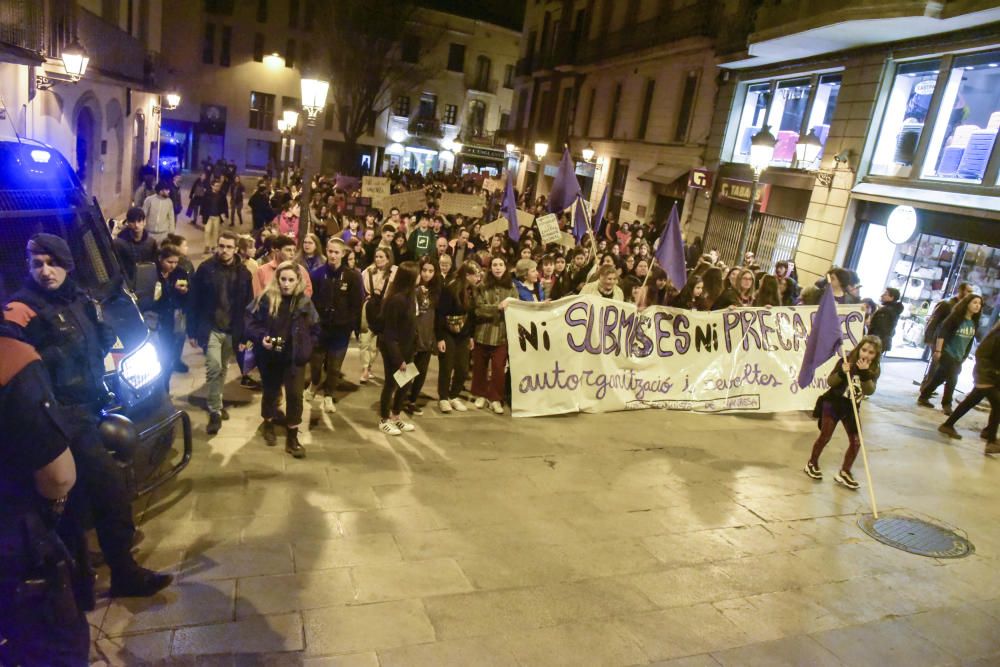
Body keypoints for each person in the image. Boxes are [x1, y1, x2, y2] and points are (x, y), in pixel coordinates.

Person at [4, 234, 172, 597]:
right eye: (36, 264)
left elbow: (101, 345)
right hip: (59, 417)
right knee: (105, 489)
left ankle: (90, 578)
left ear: (67, 264)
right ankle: (99, 578)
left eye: (52, 263)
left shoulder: (80, 300)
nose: (45, 271)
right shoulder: (23, 307)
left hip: (92, 407)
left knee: (90, 498)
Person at [0, 320, 91, 666]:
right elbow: (57, 476)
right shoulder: (10, 359)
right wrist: (52, 511)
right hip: (14, 546)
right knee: (56, 649)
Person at [245, 262, 318, 458]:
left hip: (294, 358)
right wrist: (262, 337)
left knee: (295, 396)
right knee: (270, 391)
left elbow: (315, 328)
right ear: (277, 279)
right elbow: (250, 322)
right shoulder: (266, 298)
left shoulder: (304, 302)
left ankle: (292, 436)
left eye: (291, 280)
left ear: (298, 281)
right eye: (283, 279)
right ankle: (268, 423)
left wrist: (306, 348)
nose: (286, 284)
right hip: (270, 356)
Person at [187, 231, 255, 434]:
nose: (224, 250)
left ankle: (215, 400)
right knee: (214, 366)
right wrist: (191, 330)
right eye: (221, 246)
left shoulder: (244, 273)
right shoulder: (206, 269)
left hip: (231, 329)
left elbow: (248, 306)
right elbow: (194, 300)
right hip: (211, 327)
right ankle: (215, 410)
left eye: (228, 247)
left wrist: (246, 334)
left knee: (223, 366)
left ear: (236, 249)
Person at [804, 336, 882, 490]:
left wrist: (865, 374)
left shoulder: (874, 369)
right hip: (833, 403)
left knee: (856, 442)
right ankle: (812, 463)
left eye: (871, 353)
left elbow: (870, 391)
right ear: (859, 348)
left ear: (876, 355)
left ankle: (845, 472)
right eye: (864, 350)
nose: (866, 355)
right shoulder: (846, 361)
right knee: (825, 436)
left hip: (851, 407)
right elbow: (830, 382)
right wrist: (841, 372)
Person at [308, 238, 363, 413]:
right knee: (315, 363)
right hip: (320, 328)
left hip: (340, 330)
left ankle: (329, 395)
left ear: (343, 254)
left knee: (334, 366)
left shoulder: (353, 276)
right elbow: (310, 300)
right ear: (326, 251)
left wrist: (351, 325)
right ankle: (314, 383)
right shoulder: (317, 274)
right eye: (330, 251)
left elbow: (357, 303)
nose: (333, 255)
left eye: (336, 252)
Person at [937, 321, 999, 453]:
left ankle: (948, 425)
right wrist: (991, 373)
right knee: (998, 405)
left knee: (970, 401)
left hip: (992, 378)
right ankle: (991, 441)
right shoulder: (996, 336)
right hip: (986, 377)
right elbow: (981, 355)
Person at [918, 294, 983, 415]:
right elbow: (942, 333)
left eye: (979, 304)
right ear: (967, 303)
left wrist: (964, 356)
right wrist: (938, 351)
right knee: (953, 378)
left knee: (940, 377)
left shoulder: (974, 322)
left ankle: (924, 396)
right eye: (974, 302)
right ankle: (947, 404)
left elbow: (969, 341)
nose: (977, 306)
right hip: (948, 352)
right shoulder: (955, 318)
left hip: (959, 355)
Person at [377, 261, 420, 435]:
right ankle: (384, 419)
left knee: (405, 383)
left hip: (407, 348)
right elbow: (390, 334)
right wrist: (399, 359)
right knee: (391, 384)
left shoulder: (409, 296)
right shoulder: (396, 300)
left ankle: (396, 416)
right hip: (394, 350)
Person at [471, 256, 517, 415]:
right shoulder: (482, 286)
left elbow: (517, 307)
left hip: (502, 335)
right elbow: (478, 309)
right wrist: (497, 307)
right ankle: (480, 394)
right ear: (490, 268)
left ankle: (496, 398)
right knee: (479, 367)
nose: (498, 267)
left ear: (506, 267)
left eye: (501, 264)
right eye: (494, 265)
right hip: (483, 333)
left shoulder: (511, 288)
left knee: (498, 369)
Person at [436, 262, 480, 414]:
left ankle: (454, 395)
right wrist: (440, 337)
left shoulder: (473, 291)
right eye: (476, 275)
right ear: (467, 275)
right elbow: (440, 313)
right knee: (446, 366)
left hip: (464, 334)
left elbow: (472, 316)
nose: (478, 277)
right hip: (448, 332)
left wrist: (471, 336)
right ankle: (443, 397)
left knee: (462, 368)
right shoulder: (450, 288)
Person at [150, 245, 189, 391]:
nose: (173, 266)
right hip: (155, 318)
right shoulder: (152, 273)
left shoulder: (179, 273)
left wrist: (184, 291)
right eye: (169, 262)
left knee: (168, 357)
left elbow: (187, 297)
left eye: (175, 262)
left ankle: (165, 388)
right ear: (161, 259)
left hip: (172, 320)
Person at [406, 257, 442, 415]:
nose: (427, 274)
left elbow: (438, 314)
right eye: (424, 270)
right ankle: (399, 399)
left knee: (421, 371)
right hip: (412, 335)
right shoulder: (411, 288)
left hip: (428, 336)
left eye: (431, 271)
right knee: (406, 370)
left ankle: (412, 400)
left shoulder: (437, 290)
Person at [359, 247, 397, 384]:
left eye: (382, 257)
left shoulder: (394, 272)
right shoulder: (368, 271)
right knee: (364, 341)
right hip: (369, 307)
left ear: (388, 258)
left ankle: (369, 367)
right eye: (377, 256)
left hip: (384, 309)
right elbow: (360, 288)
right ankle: (364, 368)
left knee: (375, 345)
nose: (378, 259)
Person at [114, 206, 158, 284]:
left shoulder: (151, 242)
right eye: (133, 221)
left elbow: (153, 265)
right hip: (125, 282)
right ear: (127, 222)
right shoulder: (119, 243)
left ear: (144, 222)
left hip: (145, 281)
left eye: (139, 221)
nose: (136, 225)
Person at [867, 287, 903, 354]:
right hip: (882, 341)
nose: (882, 295)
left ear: (892, 297)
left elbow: (879, 329)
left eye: (885, 294)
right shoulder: (892, 310)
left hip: (876, 342)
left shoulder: (886, 311)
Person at [142, 180, 176, 245]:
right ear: (160, 191)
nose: (169, 191)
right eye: (167, 190)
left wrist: (171, 232)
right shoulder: (149, 200)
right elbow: (143, 215)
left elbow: (171, 217)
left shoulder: (169, 202)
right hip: (149, 233)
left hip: (163, 234)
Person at [200, 179, 228, 253]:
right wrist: (202, 215)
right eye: (216, 186)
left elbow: (225, 206)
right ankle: (207, 245)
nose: (217, 187)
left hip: (217, 217)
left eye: (219, 186)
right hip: (208, 216)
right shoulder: (207, 194)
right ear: (212, 186)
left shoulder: (222, 194)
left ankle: (213, 246)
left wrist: (225, 215)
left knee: (215, 232)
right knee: (207, 231)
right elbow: (203, 205)